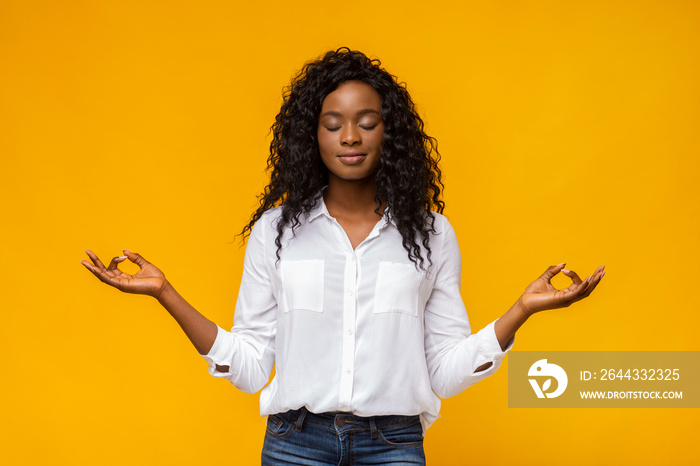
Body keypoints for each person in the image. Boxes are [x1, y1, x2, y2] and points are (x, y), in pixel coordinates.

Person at [81, 48, 605, 465]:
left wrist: (521, 312)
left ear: (389, 132)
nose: (349, 137)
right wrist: (165, 294)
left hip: (394, 446)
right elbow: (249, 365)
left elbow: (442, 373)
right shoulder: (276, 233)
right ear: (313, 136)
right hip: (294, 445)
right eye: (333, 124)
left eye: (366, 122)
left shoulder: (431, 234)